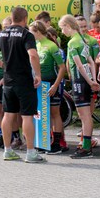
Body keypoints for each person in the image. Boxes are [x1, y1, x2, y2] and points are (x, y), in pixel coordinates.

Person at [0, 6, 43, 163]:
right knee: (27, 116)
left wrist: (3, 65)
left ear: (12, 18)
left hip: (8, 81)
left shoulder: (2, 33)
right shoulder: (26, 34)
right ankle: (31, 152)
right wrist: (37, 74)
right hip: (24, 81)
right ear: (25, 19)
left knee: (8, 115)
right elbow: (32, 54)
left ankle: (7, 150)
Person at [59, 14, 100, 159]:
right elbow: (91, 61)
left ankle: (86, 148)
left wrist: (90, 82)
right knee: (86, 115)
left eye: (62, 28)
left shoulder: (72, 43)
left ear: (68, 26)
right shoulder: (83, 40)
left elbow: (79, 65)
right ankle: (86, 146)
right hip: (87, 81)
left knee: (84, 115)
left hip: (80, 81)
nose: (62, 31)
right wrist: (93, 80)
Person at [29, 19, 66, 154]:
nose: (29, 34)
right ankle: (43, 141)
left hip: (51, 82)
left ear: (38, 31)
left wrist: (56, 85)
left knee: (54, 112)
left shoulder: (51, 46)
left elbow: (62, 68)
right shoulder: (35, 45)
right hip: (39, 84)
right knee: (42, 113)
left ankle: (56, 143)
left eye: (31, 32)